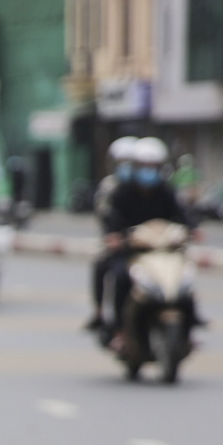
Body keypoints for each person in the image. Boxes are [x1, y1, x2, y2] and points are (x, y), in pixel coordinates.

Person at [94, 136, 191, 339]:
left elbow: (183, 216)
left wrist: (192, 229)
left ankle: (191, 324)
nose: (148, 171)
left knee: (184, 278)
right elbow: (111, 218)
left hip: (162, 250)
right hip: (132, 251)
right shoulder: (121, 192)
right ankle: (118, 329)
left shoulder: (166, 191)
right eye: (143, 166)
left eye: (153, 166)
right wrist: (114, 237)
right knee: (120, 277)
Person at [86, 136, 139, 330]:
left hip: (151, 243)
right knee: (106, 267)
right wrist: (114, 235)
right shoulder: (111, 188)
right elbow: (106, 217)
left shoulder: (157, 188)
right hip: (121, 243)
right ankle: (103, 313)